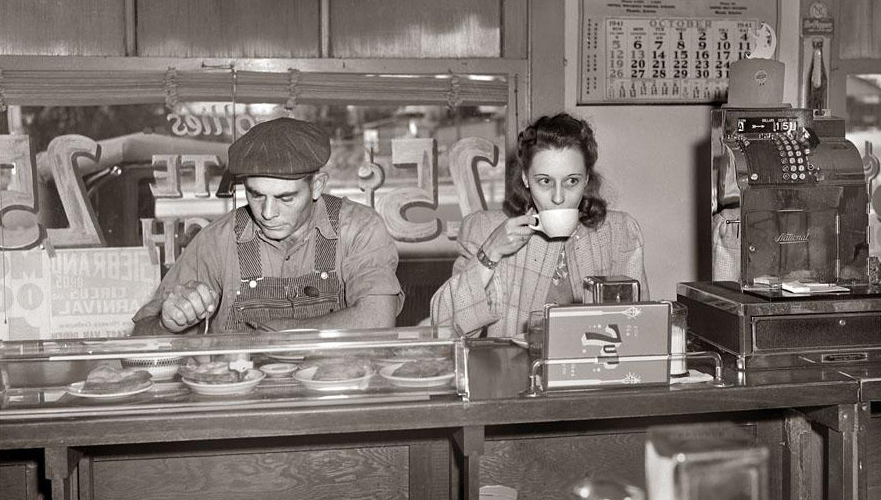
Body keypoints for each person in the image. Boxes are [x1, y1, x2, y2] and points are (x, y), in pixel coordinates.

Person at [132, 117, 403, 335]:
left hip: (335, 388)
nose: (267, 213)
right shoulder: (217, 241)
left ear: (317, 185)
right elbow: (140, 340)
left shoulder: (359, 229)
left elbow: (377, 319)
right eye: (256, 194)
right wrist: (167, 323)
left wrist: (273, 334)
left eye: (286, 197)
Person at [431, 112, 648, 336]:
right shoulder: (484, 229)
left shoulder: (618, 232)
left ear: (586, 180)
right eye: (544, 181)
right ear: (525, 178)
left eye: (571, 181)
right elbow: (445, 329)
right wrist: (491, 253)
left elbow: (637, 327)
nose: (558, 197)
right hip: (515, 370)